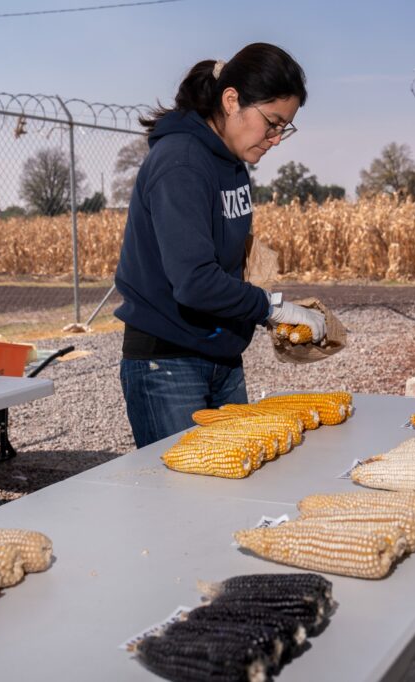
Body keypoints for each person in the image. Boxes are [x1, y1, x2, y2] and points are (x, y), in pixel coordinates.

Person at [114, 42, 327, 448]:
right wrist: (270, 307)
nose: (277, 138)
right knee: (186, 504)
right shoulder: (182, 163)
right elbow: (194, 281)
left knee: (236, 494)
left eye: (285, 127)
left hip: (222, 358)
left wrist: (266, 311)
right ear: (232, 101)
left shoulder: (231, 163)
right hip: (169, 363)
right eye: (272, 122)